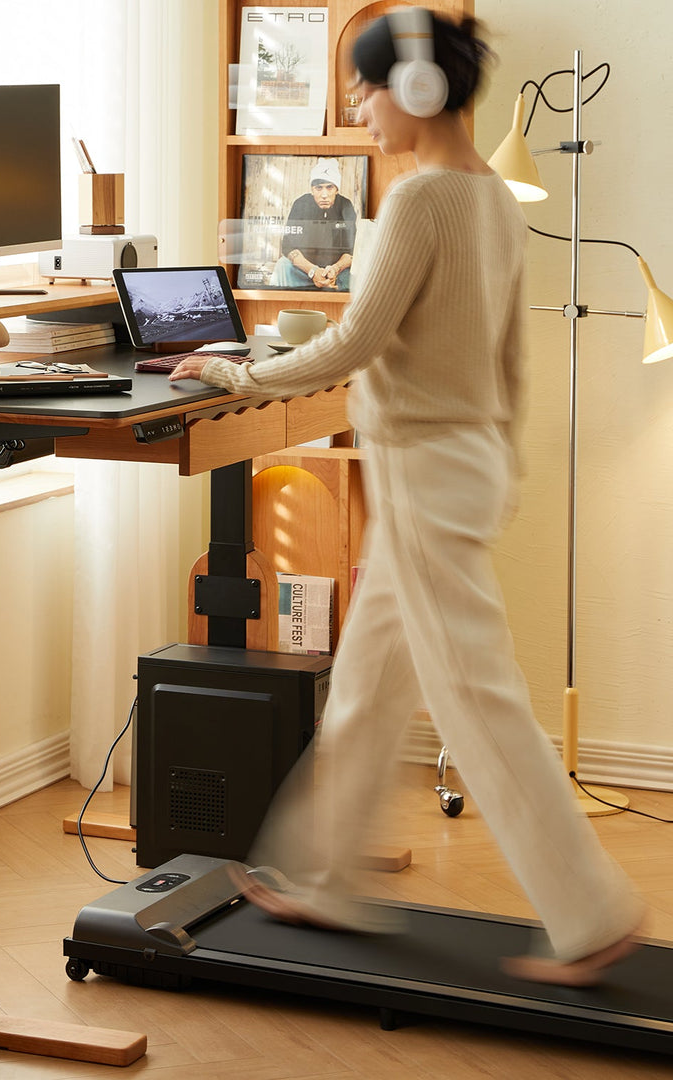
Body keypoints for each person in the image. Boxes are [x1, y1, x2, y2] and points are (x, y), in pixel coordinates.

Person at [169, 9, 644, 987]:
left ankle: (593, 913)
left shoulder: (420, 202)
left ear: (417, 92)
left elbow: (351, 346)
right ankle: (324, 874)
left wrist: (235, 377)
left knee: (476, 699)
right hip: (457, 465)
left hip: (424, 472)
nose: (357, 108)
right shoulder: (496, 199)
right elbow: (511, 358)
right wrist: (500, 463)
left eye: (365, 88)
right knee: (370, 687)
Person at [269, 157, 356, 291]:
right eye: (319, 188)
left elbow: (352, 250)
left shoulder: (346, 205)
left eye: (329, 187)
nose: (324, 194)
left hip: (336, 272)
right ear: (312, 190)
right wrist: (313, 271)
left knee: (358, 271)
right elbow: (288, 245)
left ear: (336, 189)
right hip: (304, 271)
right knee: (282, 265)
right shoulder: (301, 204)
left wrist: (335, 269)